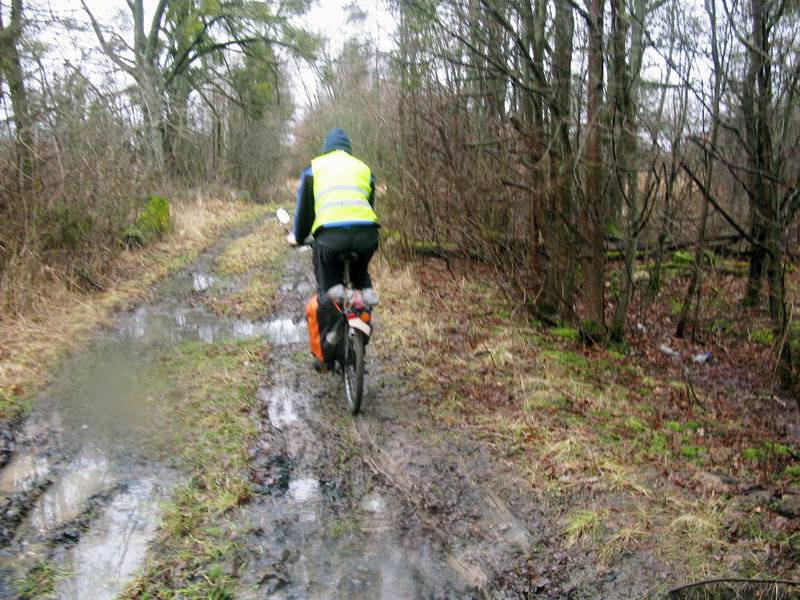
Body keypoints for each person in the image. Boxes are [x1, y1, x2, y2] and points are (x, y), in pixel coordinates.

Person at [288, 128, 380, 306]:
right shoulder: (364, 168)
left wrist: (298, 237)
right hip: (367, 236)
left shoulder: (314, 168)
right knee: (360, 274)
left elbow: (305, 212)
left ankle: (332, 317)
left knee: (327, 285)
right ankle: (366, 297)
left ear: (326, 149)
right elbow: (368, 204)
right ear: (349, 150)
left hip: (331, 239)